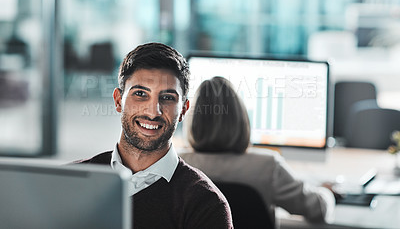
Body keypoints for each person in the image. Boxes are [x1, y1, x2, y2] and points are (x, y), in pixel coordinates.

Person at [75, 43, 233, 229]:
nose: (153, 112)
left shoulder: (205, 204)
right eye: (140, 94)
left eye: (167, 98)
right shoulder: (70, 182)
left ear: (183, 110)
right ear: (118, 101)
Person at [180, 76, 336, 227]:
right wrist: (326, 193)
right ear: (241, 120)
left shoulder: (176, 165)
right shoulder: (267, 167)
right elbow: (318, 209)